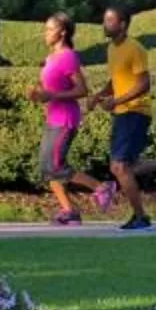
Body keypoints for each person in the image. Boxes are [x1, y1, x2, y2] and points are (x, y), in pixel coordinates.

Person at [93, 4, 154, 232]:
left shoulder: (135, 48)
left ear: (123, 24)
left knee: (119, 167)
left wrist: (117, 101)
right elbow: (116, 80)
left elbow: (144, 83)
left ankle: (140, 217)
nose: (105, 24)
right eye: (105, 20)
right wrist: (100, 95)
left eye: (110, 21)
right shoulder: (111, 48)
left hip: (135, 111)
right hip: (122, 112)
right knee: (125, 165)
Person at [34, 13, 99, 227]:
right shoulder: (51, 58)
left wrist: (50, 96)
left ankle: (101, 188)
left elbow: (81, 89)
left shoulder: (68, 56)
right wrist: (37, 94)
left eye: (49, 29)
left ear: (62, 32)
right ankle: (69, 211)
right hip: (52, 118)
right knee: (46, 167)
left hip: (65, 119)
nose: (45, 33)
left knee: (54, 166)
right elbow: (51, 89)